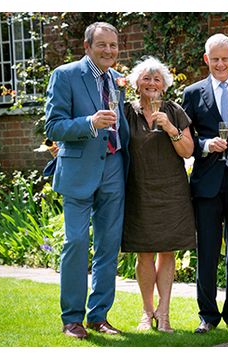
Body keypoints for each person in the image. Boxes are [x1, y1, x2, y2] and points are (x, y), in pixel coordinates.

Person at [44, 22, 130, 339]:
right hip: (79, 169)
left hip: (114, 166)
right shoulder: (65, 75)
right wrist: (90, 123)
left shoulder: (118, 81)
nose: (109, 50)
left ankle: (99, 316)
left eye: (113, 45)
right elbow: (54, 126)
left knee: (108, 246)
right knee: (76, 242)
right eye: (102, 45)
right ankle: (72, 319)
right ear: (87, 46)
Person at [121, 57, 196, 333]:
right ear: (136, 84)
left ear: (164, 85)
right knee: (144, 253)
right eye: (146, 79)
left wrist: (170, 128)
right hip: (139, 190)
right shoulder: (126, 112)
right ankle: (146, 311)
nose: (151, 83)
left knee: (167, 251)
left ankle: (164, 313)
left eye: (156, 79)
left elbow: (188, 151)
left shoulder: (174, 111)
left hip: (171, 191)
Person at [182, 33, 228, 333]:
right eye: (215, 59)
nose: (221, 64)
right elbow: (185, 139)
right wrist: (206, 145)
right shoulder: (193, 93)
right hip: (207, 183)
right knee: (207, 251)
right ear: (206, 60)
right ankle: (207, 315)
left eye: (226, 58)